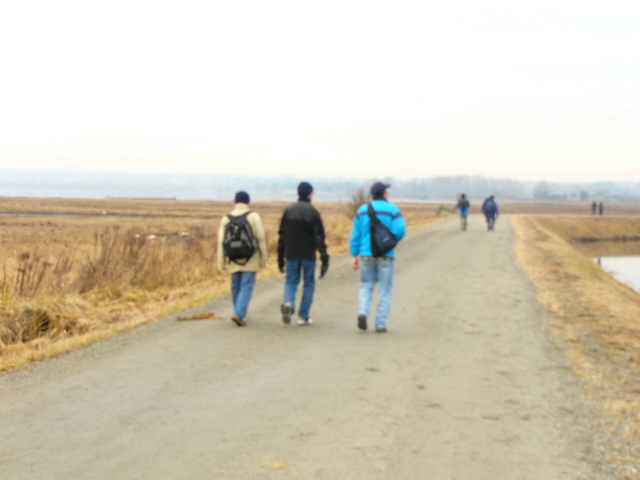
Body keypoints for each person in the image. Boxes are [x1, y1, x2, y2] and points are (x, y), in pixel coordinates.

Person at [350, 182, 406, 333]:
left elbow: (356, 234)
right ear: (385, 193)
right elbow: (400, 230)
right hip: (386, 256)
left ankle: (363, 312)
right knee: (385, 290)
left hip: (366, 256)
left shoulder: (362, 210)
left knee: (366, 286)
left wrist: (354, 254)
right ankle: (380, 324)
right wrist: (390, 242)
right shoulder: (393, 210)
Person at [278, 182, 329, 326]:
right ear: (310, 194)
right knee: (309, 283)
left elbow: (282, 235)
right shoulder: (313, 212)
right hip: (308, 254)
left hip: (291, 252)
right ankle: (303, 316)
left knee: (291, 281)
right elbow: (320, 237)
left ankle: (289, 302)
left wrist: (280, 257)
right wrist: (324, 257)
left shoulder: (289, 211)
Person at [217, 191, 268, 327]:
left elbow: (221, 242)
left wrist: (221, 262)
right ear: (248, 202)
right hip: (251, 258)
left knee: (236, 286)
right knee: (247, 286)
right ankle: (239, 314)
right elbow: (261, 239)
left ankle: (238, 312)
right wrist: (263, 259)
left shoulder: (226, 218)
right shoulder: (254, 217)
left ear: (235, 202)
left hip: (233, 259)